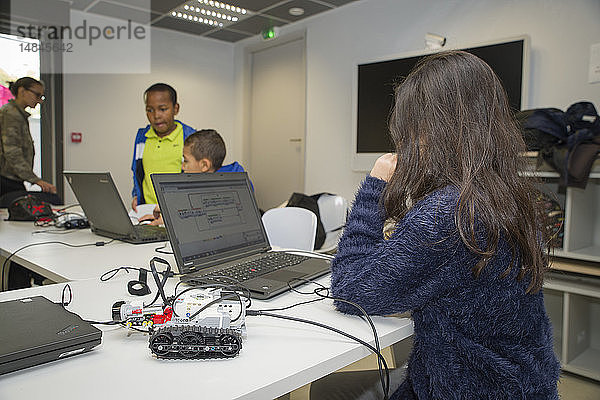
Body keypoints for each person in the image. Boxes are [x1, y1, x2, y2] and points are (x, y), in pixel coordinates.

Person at [321, 51, 560, 399]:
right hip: (520, 383)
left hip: (466, 389)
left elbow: (350, 291)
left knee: (330, 391)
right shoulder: (511, 195)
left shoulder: (450, 213)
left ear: (432, 129)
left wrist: (374, 187)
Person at [140, 129, 250, 225]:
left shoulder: (229, 189)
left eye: (186, 161)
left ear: (204, 165)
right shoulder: (203, 184)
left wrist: (172, 221)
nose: (182, 167)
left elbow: (208, 220)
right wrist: (168, 212)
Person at [130, 83, 195, 212]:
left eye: (163, 109)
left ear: (175, 109)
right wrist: (136, 195)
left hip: (178, 212)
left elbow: (196, 179)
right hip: (148, 211)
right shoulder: (142, 137)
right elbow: (137, 171)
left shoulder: (189, 137)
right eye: (150, 110)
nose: (156, 116)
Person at [0, 77, 56, 197]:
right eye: (37, 95)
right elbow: (12, 152)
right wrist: (36, 180)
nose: (40, 100)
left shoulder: (18, 114)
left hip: (13, 179)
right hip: (6, 181)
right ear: (22, 92)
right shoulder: (10, 114)